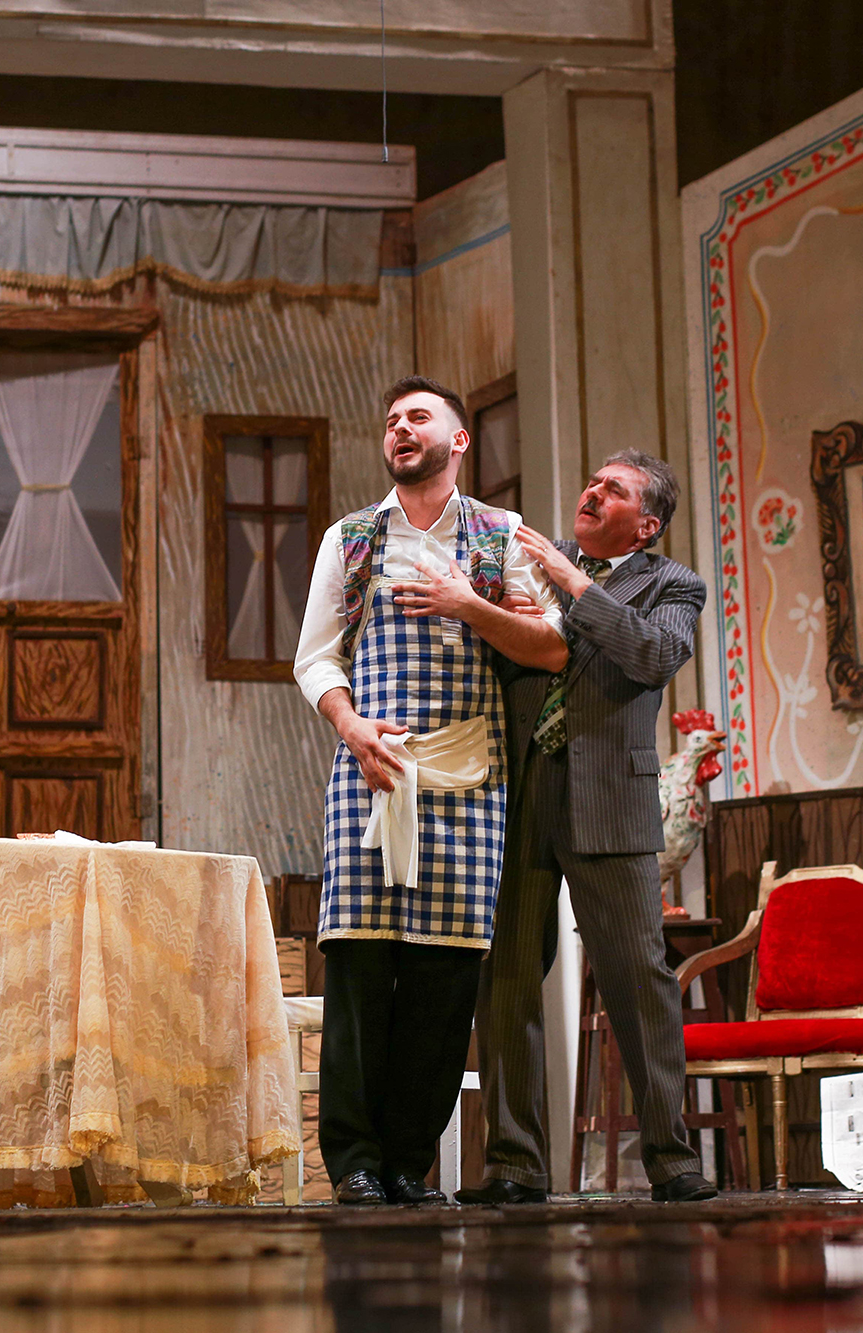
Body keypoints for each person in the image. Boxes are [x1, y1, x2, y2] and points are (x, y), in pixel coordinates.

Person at [293, 375, 568, 1206]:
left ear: (458, 439)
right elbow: (316, 657)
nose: (400, 429)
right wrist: (351, 726)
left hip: (469, 777)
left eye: (418, 417)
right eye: (391, 420)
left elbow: (554, 644)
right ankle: (354, 1163)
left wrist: (467, 604)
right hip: (372, 773)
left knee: (444, 982)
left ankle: (408, 1161)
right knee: (359, 968)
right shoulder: (352, 538)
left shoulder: (501, 535)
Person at [457, 449, 719, 1205]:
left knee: (638, 978)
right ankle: (514, 1164)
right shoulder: (531, 560)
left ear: (647, 524)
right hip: (520, 789)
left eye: (615, 489)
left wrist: (576, 585)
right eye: (594, 481)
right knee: (508, 975)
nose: (593, 491)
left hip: (610, 797)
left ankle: (670, 1159)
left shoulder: (673, 584)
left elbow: (654, 655)